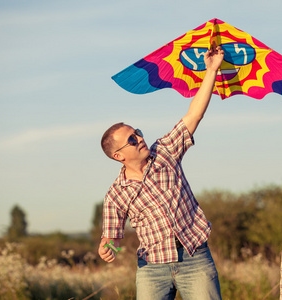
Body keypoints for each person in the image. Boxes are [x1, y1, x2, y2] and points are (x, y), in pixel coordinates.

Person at [98, 44, 224, 300]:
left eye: (138, 133)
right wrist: (107, 247)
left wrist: (211, 71)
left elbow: (194, 115)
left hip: (194, 257)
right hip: (152, 269)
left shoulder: (165, 152)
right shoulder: (115, 195)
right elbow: (112, 238)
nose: (139, 139)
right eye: (132, 140)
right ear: (118, 156)